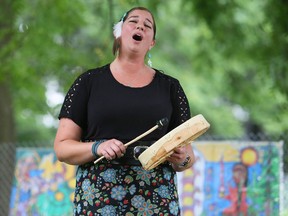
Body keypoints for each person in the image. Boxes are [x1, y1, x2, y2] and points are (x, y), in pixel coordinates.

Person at [54, 6, 195, 215]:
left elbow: (188, 157)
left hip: (156, 198)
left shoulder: (171, 88)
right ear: (118, 32)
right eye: (133, 21)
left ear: (151, 43)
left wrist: (182, 158)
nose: (140, 26)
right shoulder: (87, 82)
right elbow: (62, 148)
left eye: (147, 25)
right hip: (99, 198)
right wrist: (97, 147)